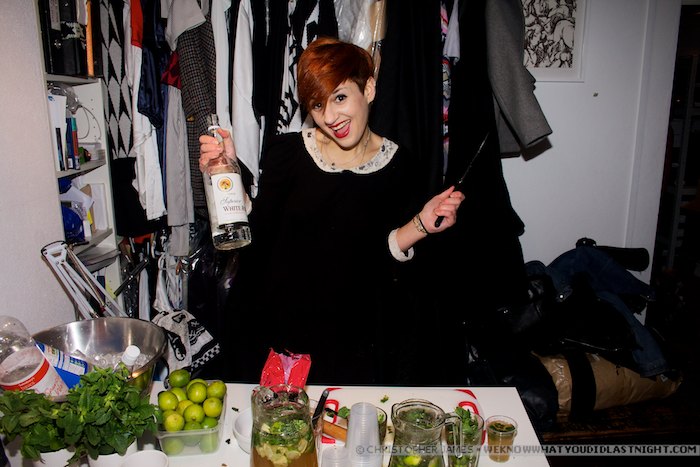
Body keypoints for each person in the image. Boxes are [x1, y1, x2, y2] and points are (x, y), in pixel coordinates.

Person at [199, 37, 465, 385]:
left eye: (340, 98)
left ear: (368, 88)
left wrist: (422, 224)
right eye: (317, 104)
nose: (330, 117)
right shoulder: (287, 153)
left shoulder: (401, 167)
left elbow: (387, 276)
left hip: (357, 347)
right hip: (283, 344)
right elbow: (258, 246)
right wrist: (228, 176)